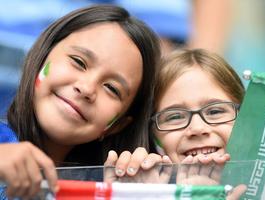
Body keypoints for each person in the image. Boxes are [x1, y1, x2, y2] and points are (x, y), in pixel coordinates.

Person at [0, 4, 160, 199]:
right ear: (40, 57)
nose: (87, 88)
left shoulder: (111, 189)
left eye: (111, 88)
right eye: (79, 62)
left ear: (117, 125)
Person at [105, 49, 246, 199]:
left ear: (246, 117)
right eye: (175, 116)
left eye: (215, 112)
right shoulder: (145, 190)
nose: (197, 128)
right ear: (153, 134)